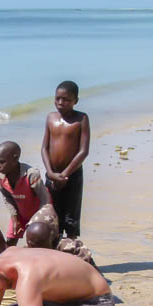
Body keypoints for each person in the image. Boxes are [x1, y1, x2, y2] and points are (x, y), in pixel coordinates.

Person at [41, 81, 90, 239]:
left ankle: (73, 253)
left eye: (66, 99)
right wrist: (50, 173)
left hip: (72, 176)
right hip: (52, 176)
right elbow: (44, 148)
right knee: (52, 218)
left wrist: (65, 175)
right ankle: (56, 255)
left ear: (76, 100)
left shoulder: (81, 119)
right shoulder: (50, 118)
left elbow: (83, 151)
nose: (61, 103)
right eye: (58, 98)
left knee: (71, 220)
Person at [0, 141, 52, 246]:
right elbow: (7, 199)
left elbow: (45, 200)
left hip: (39, 213)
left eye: (2, 162)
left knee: (36, 242)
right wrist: (15, 218)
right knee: (10, 241)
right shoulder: (1, 178)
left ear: (15, 158)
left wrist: (37, 221)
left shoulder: (31, 175)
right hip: (20, 214)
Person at [24, 220, 96, 267]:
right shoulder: (29, 249)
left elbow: (87, 268)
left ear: (51, 239)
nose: (41, 251)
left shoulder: (70, 247)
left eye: (43, 245)